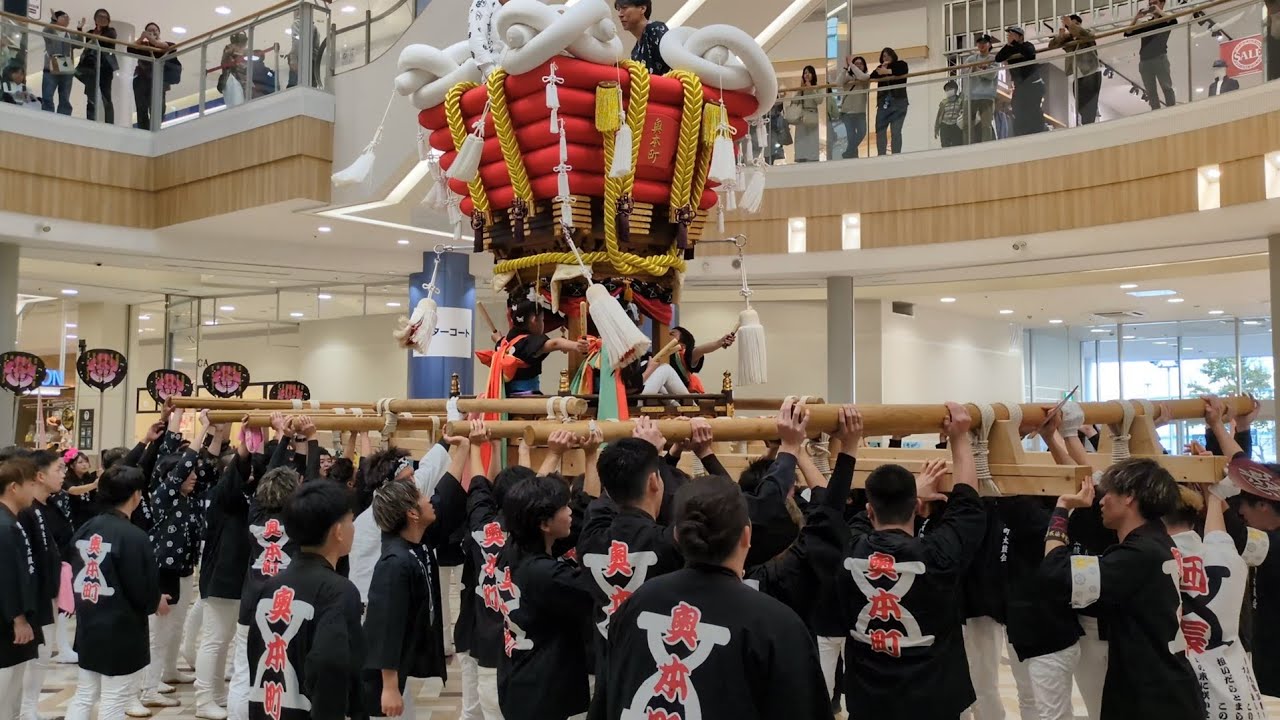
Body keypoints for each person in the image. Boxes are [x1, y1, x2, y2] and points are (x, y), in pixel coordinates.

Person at [603, 470, 832, 719]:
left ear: (677, 536)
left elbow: (608, 698)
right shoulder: (778, 624)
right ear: (747, 536)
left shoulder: (636, 603)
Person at [836, 402, 987, 720]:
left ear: (869, 511)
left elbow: (845, 517)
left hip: (869, 702)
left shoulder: (849, 549)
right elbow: (968, 504)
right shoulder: (939, 554)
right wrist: (959, 437)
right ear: (917, 507)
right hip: (932, 702)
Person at [1039, 458, 1202, 719]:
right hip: (1162, 688)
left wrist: (1061, 509)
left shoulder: (1139, 554)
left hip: (1154, 698)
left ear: (1129, 497)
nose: (1101, 501)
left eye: (1108, 493)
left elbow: (1056, 572)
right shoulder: (1156, 542)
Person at [1165, 404, 1266, 718]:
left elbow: (1237, 477)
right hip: (1235, 673)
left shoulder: (1157, 558)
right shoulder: (1224, 553)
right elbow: (1219, 514)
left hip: (1188, 677)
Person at [244, 481, 365, 720]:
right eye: (351, 520)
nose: (354, 529)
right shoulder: (339, 591)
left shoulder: (270, 586)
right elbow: (330, 664)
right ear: (338, 531)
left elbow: (253, 653)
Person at [65, 465, 162, 720]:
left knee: (85, 694)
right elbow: (144, 592)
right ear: (135, 496)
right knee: (114, 698)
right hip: (121, 629)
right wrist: (153, 602)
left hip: (88, 623)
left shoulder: (85, 529)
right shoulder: (134, 537)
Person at [361, 476, 441, 720]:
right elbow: (385, 626)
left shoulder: (413, 547)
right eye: (421, 497)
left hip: (399, 671)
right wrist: (389, 687)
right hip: (381, 683)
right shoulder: (394, 564)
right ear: (412, 514)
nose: (429, 499)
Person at [226, 464, 300, 720]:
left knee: (243, 673)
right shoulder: (298, 521)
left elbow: (265, 478)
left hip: (252, 604)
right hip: (284, 606)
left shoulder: (255, 516)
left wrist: (281, 439)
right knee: (285, 673)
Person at [17, 450, 69, 720]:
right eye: (59, 469)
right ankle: (25, 711)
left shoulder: (47, 507)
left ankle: (30, 709)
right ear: (39, 475)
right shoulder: (25, 511)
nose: (64, 474)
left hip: (48, 591)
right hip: (33, 596)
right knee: (33, 656)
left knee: (43, 653)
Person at [483, 296, 588, 396]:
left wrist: (497, 338)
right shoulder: (527, 342)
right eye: (542, 320)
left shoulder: (504, 344)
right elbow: (555, 343)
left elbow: (499, 340)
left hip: (506, 395)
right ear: (534, 320)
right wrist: (576, 345)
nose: (543, 324)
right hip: (526, 396)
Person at [0, 457, 40, 720]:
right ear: (14, 487)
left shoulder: (13, 520)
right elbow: (5, 577)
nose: (33, 490)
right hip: (6, 622)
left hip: (12, 618)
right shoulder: (5, 526)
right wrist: (19, 618)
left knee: (12, 691)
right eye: (30, 484)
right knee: (6, 689)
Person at [640, 326, 734, 396]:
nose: (666, 334)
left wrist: (719, 342)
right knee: (644, 363)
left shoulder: (681, 354)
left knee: (665, 369)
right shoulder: (650, 356)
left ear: (682, 345)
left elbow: (701, 350)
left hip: (678, 395)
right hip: (655, 393)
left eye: (671, 334)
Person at [1125, 0, 1177, 111]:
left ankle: (1172, 111)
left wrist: (1158, 10)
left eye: (1155, 2)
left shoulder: (1165, 20)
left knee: (1166, 87)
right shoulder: (1147, 24)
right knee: (1150, 91)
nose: (1152, 6)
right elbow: (1127, 33)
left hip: (1160, 58)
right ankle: (1155, 113)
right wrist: (1136, 18)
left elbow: (1173, 21)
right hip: (1144, 61)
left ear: (1162, 4)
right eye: (1150, 4)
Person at [1049, 14, 1101, 124]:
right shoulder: (1069, 39)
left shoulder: (1087, 33)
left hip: (1090, 72)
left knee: (1090, 106)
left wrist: (1070, 25)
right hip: (1078, 76)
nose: (1073, 27)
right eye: (1070, 25)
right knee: (1080, 106)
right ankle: (1086, 126)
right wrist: (1061, 36)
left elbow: (1086, 35)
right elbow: (1052, 46)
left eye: (1076, 24)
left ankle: (1089, 127)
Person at [996, 27, 1045, 136]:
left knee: (1033, 108)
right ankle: (1021, 133)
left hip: (1033, 84)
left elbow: (1029, 53)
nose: (1009, 36)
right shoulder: (1010, 49)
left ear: (1020, 36)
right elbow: (998, 58)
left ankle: (1039, 131)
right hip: (1020, 86)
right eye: (1009, 35)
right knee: (1017, 107)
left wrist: (1015, 43)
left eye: (1012, 34)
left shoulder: (1027, 45)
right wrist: (1008, 45)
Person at [129, 22, 174, 130]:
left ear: (159, 32)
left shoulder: (166, 44)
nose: (153, 32)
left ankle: (155, 129)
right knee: (142, 108)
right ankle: (144, 131)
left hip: (159, 81)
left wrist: (151, 39)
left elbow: (168, 47)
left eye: (155, 30)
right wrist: (142, 38)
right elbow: (130, 49)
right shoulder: (143, 46)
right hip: (142, 80)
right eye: (150, 31)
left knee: (159, 108)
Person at [76, 9, 118, 124]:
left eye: (105, 17)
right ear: (95, 19)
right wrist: (80, 29)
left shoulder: (111, 31)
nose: (102, 19)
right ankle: (90, 121)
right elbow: (83, 43)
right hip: (90, 68)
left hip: (105, 68)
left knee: (106, 96)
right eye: (99, 16)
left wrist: (95, 36)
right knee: (91, 96)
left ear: (108, 20)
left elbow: (106, 41)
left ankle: (110, 123)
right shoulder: (90, 32)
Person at [871, 47, 909, 155]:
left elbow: (902, 70)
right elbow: (872, 76)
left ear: (893, 55)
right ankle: (881, 155)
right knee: (880, 130)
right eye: (883, 56)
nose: (886, 57)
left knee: (896, 131)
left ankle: (896, 155)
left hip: (899, 102)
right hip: (883, 104)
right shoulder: (880, 67)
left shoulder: (900, 64)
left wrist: (887, 71)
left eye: (888, 55)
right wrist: (882, 68)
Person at [616, 0, 670, 76]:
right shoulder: (635, 52)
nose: (620, 14)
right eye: (618, 9)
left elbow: (673, 64)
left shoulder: (655, 29)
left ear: (642, 9)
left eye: (624, 8)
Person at [962, 35, 997, 143]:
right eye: (979, 43)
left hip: (987, 97)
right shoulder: (970, 59)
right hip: (970, 96)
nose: (981, 45)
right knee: (967, 124)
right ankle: (967, 146)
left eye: (984, 42)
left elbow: (991, 75)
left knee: (986, 124)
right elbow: (964, 73)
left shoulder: (993, 59)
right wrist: (981, 69)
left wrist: (975, 69)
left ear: (989, 45)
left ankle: (987, 146)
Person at [41, 11, 75, 115]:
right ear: (57, 18)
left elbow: (79, 43)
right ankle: (47, 116)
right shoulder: (51, 31)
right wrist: (53, 21)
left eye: (68, 18)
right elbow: (45, 31)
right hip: (51, 66)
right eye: (64, 17)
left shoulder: (69, 34)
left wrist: (79, 29)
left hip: (66, 66)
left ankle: (64, 117)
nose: (67, 19)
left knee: (65, 96)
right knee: (48, 95)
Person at [467, 0, 510, 79]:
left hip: (521, 69)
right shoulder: (482, 3)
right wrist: (490, 72)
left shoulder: (525, 5)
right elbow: (476, 38)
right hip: (496, 75)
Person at [839, 55, 871, 158]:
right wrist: (845, 68)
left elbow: (862, 76)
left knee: (862, 133)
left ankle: (848, 152)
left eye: (860, 64)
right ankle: (852, 156)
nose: (858, 65)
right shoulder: (848, 77)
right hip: (847, 112)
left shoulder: (866, 77)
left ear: (864, 66)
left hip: (860, 112)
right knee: (851, 137)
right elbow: (838, 83)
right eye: (856, 63)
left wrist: (851, 64)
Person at [788, 66, 821, 162]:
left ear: (813, 74)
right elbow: (794, 102)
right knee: (800, 138)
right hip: (801, 116)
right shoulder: (801, 89)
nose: (806, 75)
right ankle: (800, 158)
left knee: (812, 138)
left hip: (812, 114)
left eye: (808, 73)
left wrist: (811, 88)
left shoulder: (818, 87)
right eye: (805, 73)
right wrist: (800, 89)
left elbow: (819, 100)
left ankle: (813, 158)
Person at [219, 32, 249, 108]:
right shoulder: (230, 48)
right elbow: (225, 63)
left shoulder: (245, 50)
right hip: (233, 78)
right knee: (237, 103)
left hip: (242, 79)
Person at [934, 80, 965, 147]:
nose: (948, 91)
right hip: (945, 126)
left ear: (955, 89)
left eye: (950, 89)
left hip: (956, 126)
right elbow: (939, 116)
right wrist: (936, 128)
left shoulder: (960, 100)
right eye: (946, 90)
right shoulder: (944, 102)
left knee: (957, 144)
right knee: (945, 145)